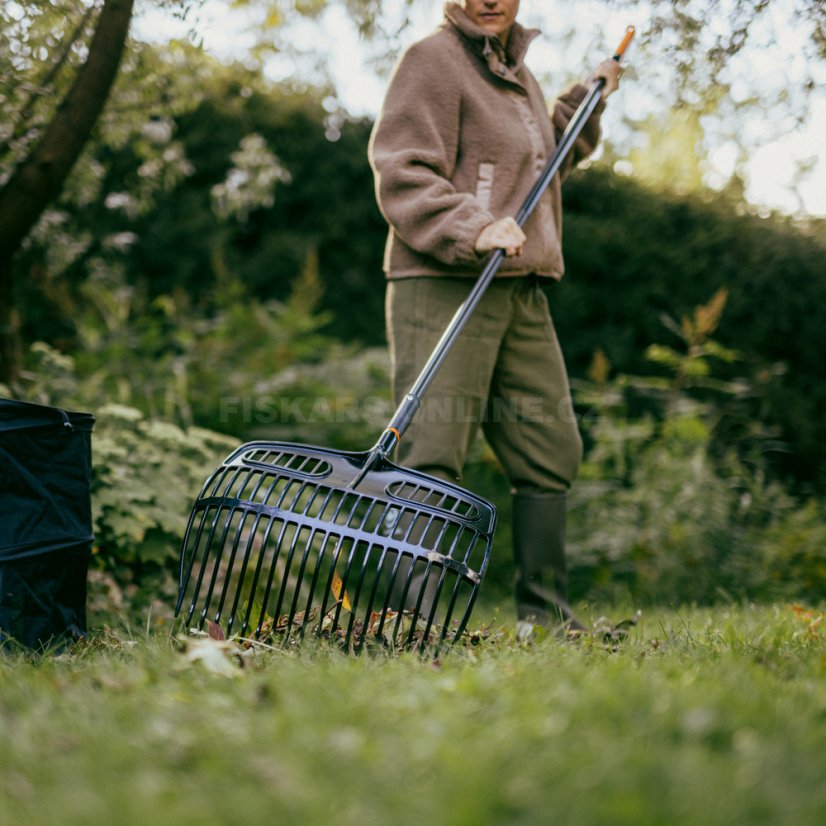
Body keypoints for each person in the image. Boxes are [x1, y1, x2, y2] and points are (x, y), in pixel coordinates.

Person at [367, 0, 621, 636]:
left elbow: (543, 162)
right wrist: (473, 227)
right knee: (432, 449)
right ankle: (417, 623)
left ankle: (546, 617)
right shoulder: (433, 61)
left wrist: (586, 98)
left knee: (550, 445)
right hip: (444, 280)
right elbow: (402, 167)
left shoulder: (519, 78)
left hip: (520, 286)